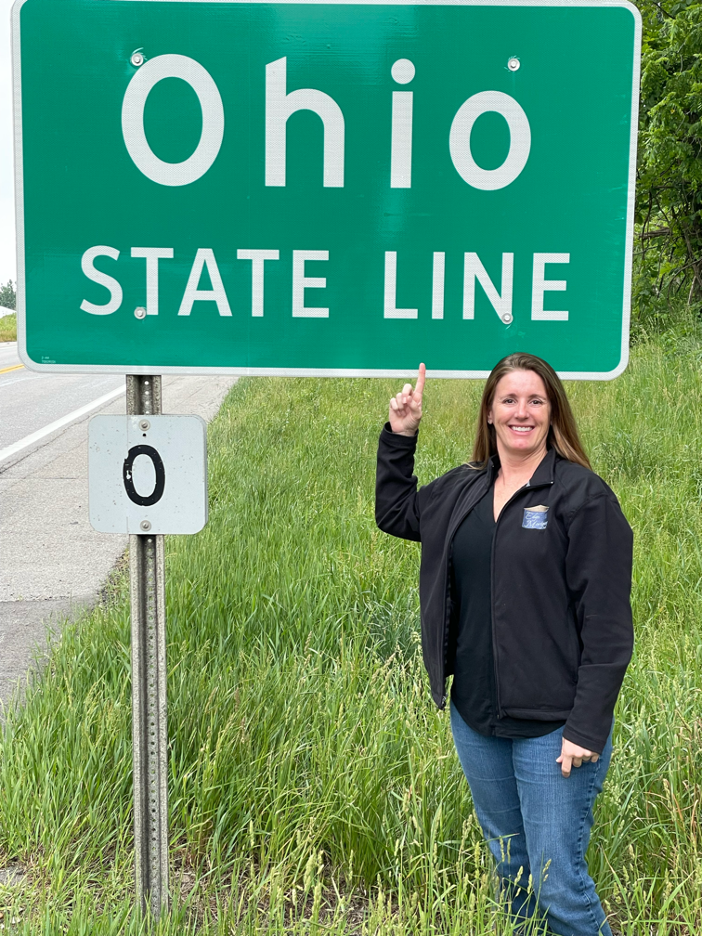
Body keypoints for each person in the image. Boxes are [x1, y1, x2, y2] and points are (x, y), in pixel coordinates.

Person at [375, 353, 633, 936]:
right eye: (509, 400)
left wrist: (586, 727)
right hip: (478, 719)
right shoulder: (464, 489)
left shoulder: (582, 497)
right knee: (514, 876)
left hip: (555, 729)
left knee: (556, 883)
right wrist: (401, 436)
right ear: (489, 412)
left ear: (552, 412)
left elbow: (610, 628)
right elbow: (395, 512)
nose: (522, 412)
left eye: (535, 401)